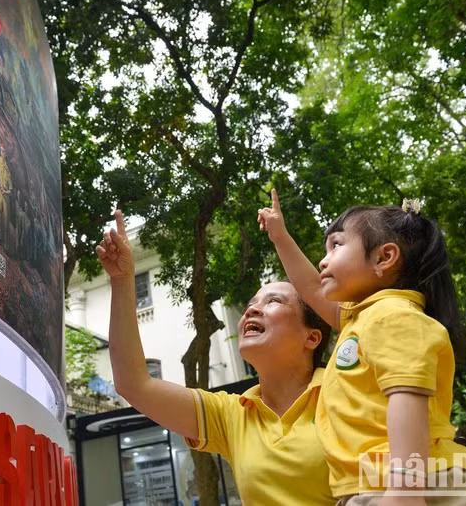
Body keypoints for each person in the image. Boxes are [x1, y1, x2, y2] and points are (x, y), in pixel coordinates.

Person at [258, 191, 466, 505]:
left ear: (384, 258)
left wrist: (405, 493)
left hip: (403, 487)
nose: (323, 260)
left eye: (336, 245)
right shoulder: (363, 318)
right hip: (380, 486)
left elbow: (407, 399)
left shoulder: (393, 318)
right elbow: (312, 287)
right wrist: (280, 238)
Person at [97, 210, 335, 505]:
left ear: (312, 337)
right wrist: (122, 281)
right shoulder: (232, 414)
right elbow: (134, 384)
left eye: (273, 301)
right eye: (251, 303)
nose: (252, 310)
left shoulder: (347, 390)